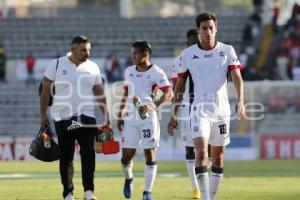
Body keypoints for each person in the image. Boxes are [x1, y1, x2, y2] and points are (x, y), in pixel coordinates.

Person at [167, 12, 245, 200]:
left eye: (211, 28)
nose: (208, 32)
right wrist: (173, 114)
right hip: (199, 110)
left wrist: (241, 101)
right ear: (198, 30)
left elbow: (237, 77)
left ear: (216, 29)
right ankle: (205, 197)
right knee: (201, 152)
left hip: (221, 111)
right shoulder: (188, 54)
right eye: (204, 28)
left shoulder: (227, 51)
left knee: (217, 158)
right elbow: (180, 85)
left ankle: (212, 196)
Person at [40, 35, 110, 200]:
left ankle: (89, 192)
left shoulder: (93, 67)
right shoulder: (56, 64)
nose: (88, 53)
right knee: (66, 156)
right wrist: (43, 114)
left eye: (89, 50)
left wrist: (106, 115)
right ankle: (68, 193)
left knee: (88, 154)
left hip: (87, 116)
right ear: (72, 50)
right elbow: (44, 92)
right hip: (62, 116)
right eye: (84, 50)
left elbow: (99, 93)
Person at [117, 41, 173, 200]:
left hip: (148, 120)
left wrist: (153, 105)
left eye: (135, 53)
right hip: (130, 119)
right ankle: (129, 178)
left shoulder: (157, 72)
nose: (132, 56)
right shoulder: (129, 71)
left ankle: (147, 192)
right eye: (132, 53)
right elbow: (126, 93)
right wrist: (120, 113)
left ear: (145, 54)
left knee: (150, 154)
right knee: (127, 155)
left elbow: (169, 93)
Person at [170, 28, 202, 199]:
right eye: (192, 40)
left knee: (208, 150)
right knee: (190, 149)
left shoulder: (207, 57)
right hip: (185, 109)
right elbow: (176, 87)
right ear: (187, 42)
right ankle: (195, 187)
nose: (195, 42)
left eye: (197, 39)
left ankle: (202, 172)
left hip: (206, 106)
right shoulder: (179, 60)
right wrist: (173, 113)